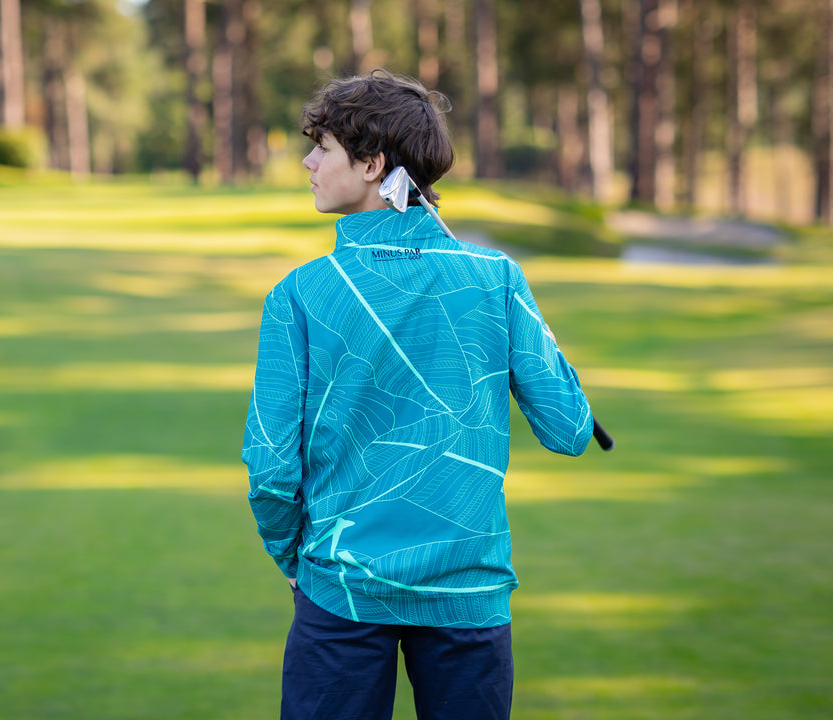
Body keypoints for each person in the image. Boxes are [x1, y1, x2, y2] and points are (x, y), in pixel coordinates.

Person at [241, 69, 594, 720]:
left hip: (339, 587)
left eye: (322, 148)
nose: (307, 161)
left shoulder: (298, 293)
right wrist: (515, 304)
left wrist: (292, 557)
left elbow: (270, 470)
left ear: (373, 164)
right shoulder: (496, 277)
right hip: (470, 593)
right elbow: (571, 427)